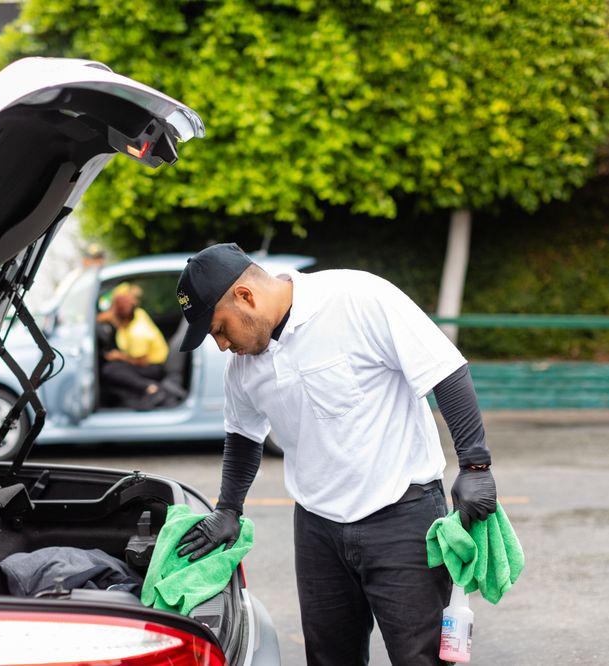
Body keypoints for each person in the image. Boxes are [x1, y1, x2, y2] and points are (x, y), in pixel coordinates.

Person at [173, 243, 497, 666]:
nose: (220, 345)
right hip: (317, 530)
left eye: (219, 329)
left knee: (421, 659)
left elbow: (445, 370)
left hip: (402, 516)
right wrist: (228, 509)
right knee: (329, 658)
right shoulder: (243, 368)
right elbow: (243, 435)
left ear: (245, 296)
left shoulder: (356, 299)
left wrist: (475, 465)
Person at [96, 282, 175, 409]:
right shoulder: (137, 313)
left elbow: (142, 362)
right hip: (145, 361)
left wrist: (119, 356)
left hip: (153, 367)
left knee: (110, 370)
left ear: (120, 319)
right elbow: (110, 316)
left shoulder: (137, 334)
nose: (111, 317)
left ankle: (151, 388)